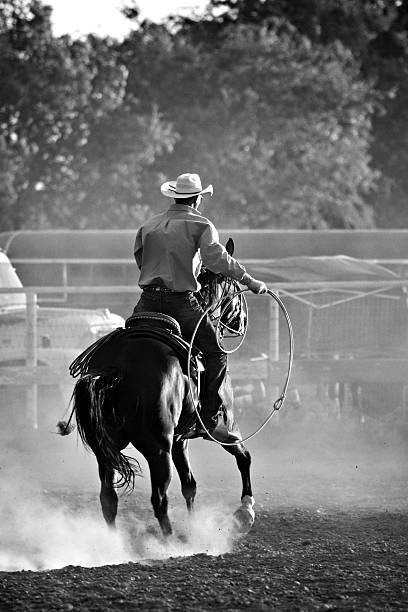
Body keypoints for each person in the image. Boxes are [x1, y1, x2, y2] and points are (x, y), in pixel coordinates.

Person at [133, 172, 267, 437]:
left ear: (174, 196)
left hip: (146, 302)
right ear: (197, 200)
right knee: (216, 351)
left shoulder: (148, 226)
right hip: (180, 303)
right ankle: (209, 418)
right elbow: (218, 259)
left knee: (130, 339)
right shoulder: (201, 225)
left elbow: (140, 257)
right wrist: (250, 281)